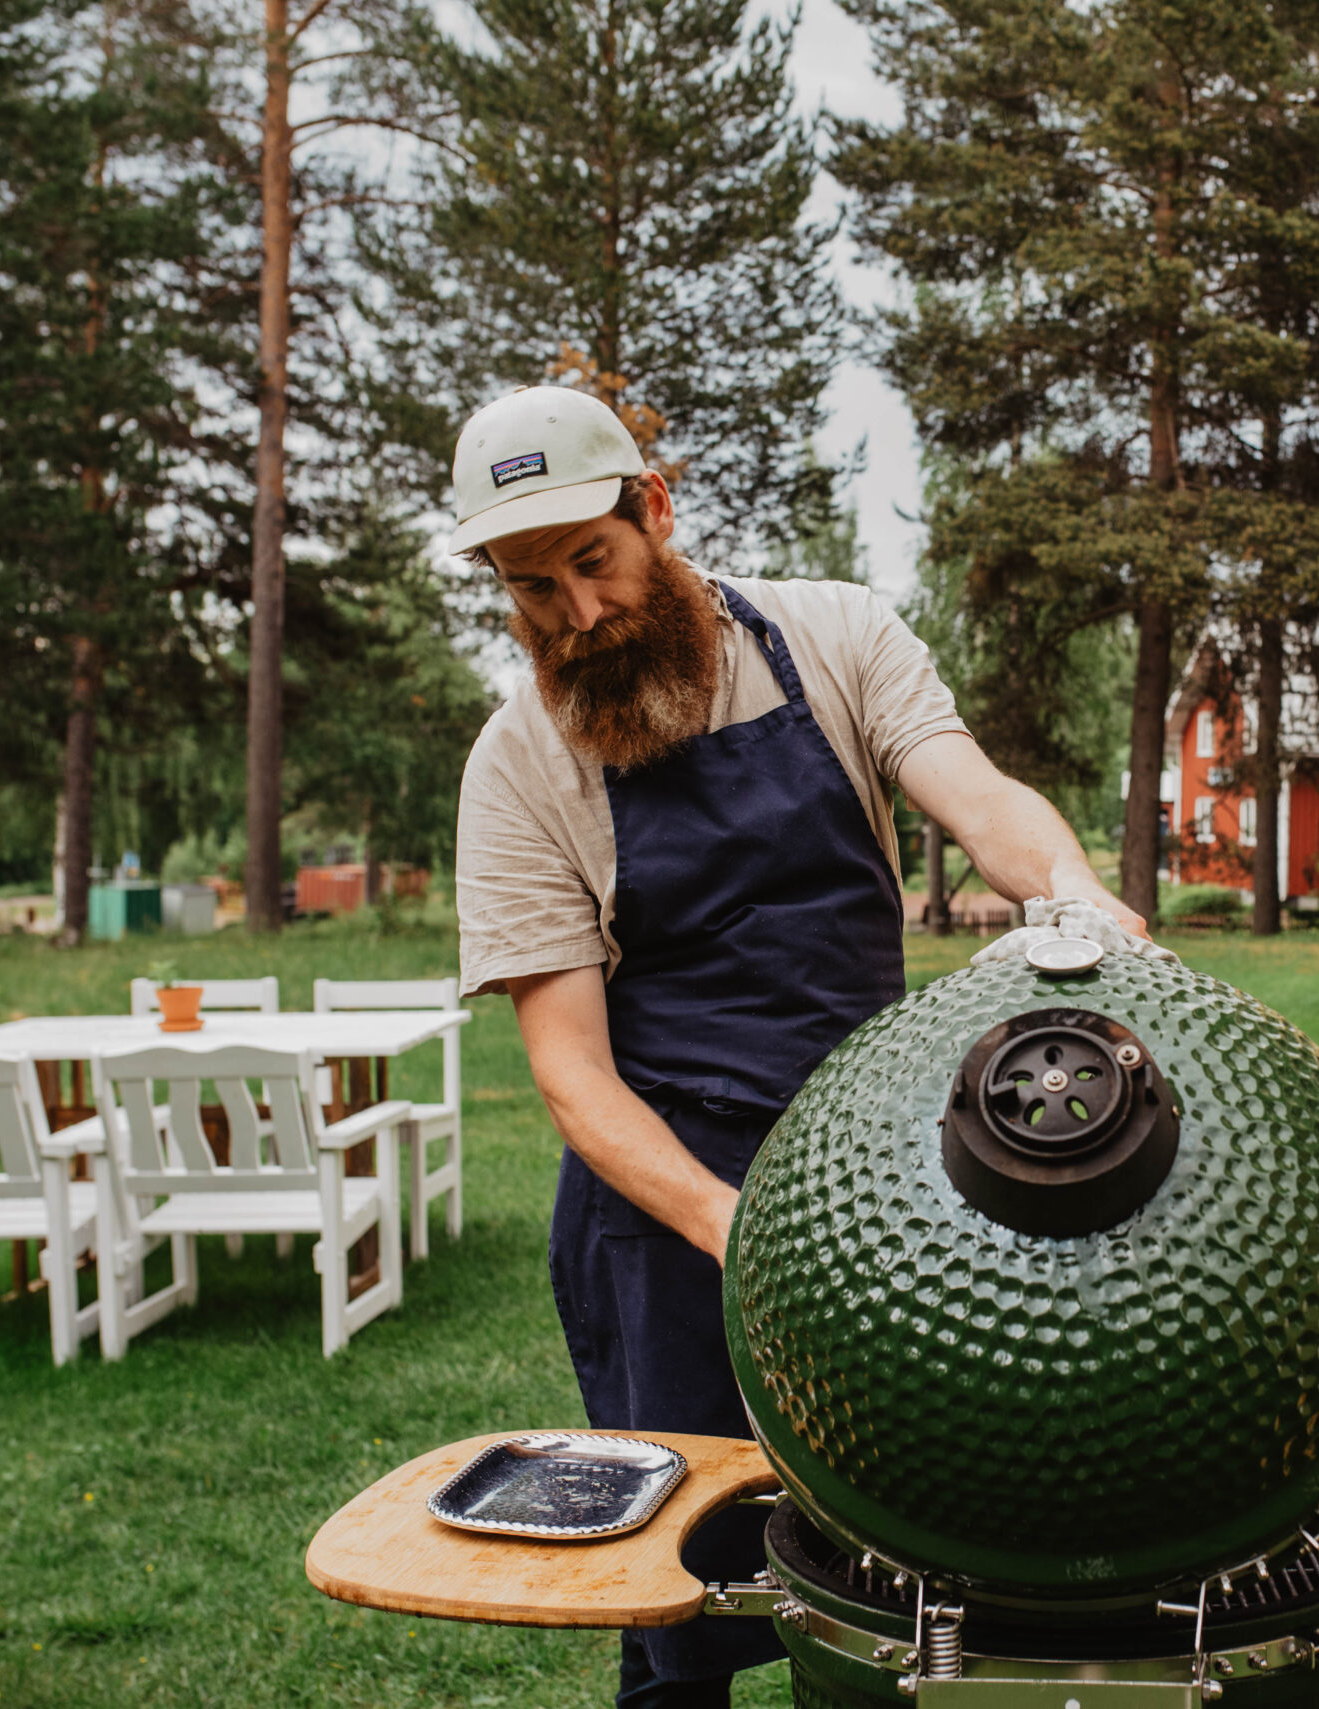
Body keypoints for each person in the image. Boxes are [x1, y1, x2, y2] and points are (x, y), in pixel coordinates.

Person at [448, 387, 1145, 1708]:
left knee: (910, 1571)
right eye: (532, 590)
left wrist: (1071, 889)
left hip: (877, 1170)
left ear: (653, 510)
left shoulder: (831, 636)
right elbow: (572, 1076)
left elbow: (978, 798)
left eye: (591, 562)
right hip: (664, 1211)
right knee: (684, 1591)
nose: (575, 617)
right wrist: (739, 1225)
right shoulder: (519, 767)